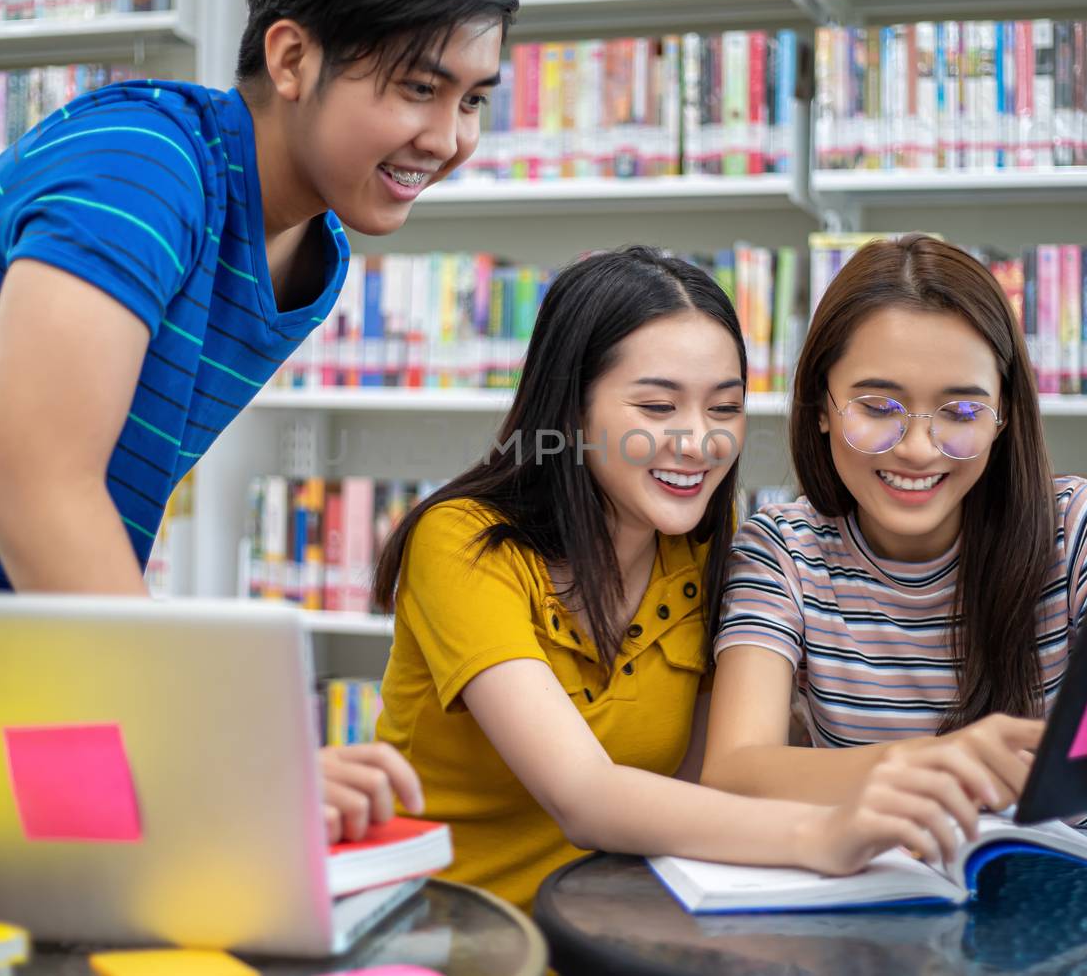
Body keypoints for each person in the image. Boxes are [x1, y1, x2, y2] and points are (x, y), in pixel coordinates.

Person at [0, 0, 518, 853]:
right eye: (417, 88)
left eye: (475, 99)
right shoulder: (143, 165)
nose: (447, 137)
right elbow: (35, 490)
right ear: (290, 57)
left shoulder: (316, 256)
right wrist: (221, 752)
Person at [371, 246, 1031, 911]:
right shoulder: (462, 543)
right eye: (658, 407)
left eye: (724, 408)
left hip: (618, 928)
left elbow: (701, 798)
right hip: (452, 933)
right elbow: (583, 796)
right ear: (571, 414)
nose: (699, 441)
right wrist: (823, 830)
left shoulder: (706, 555)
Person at [700, 234, 1087, 849]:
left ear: (1004, 415)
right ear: (821, 405)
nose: (916, 448)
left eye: (960, 413)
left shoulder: (1086, 531)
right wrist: (947, 764)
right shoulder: (781, 551)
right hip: (885, 911)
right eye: (878, 406)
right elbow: (733, 775)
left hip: (1080, 912)